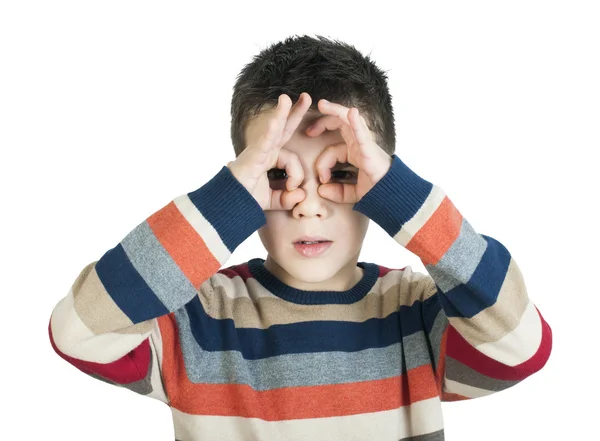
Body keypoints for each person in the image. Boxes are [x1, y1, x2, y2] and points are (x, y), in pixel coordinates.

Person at [48, 34, 553, 441]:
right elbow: (79, 331)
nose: (308, 204)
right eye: (276, 176)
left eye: (344, 172)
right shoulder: (196, 322)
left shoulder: (416, 315)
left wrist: (402, 194)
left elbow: (520, 346)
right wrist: (225, 201)